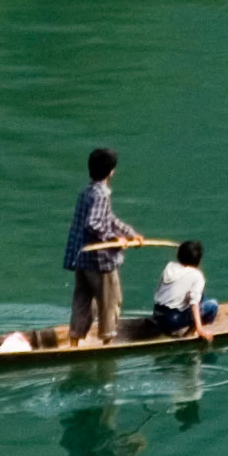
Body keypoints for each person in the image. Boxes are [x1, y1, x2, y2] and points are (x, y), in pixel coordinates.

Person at [63, 145, 145, 347]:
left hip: (82, 258)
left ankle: (74, 340)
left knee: (83, 300)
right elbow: (95, 223)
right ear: (111, 171)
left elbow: (108, 218)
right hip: (98, 261)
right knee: (110, 301)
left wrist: (130, 233)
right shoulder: (102, 194)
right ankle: (107, 341)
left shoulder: (87, 191)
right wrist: (115, 240)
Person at [149, 238, 223, 340]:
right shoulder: (197, 276)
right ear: (199, 260)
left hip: (158, 315)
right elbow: (194, 303)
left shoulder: (169, 267)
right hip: (173, 320)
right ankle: (191, 332)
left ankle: (172, 328)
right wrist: (200, 328)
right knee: (213, 305)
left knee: (201, 296)